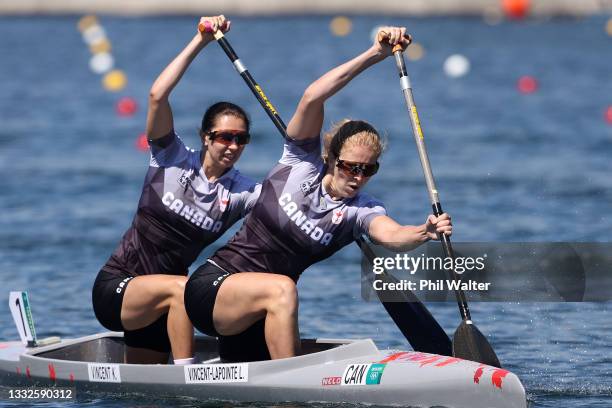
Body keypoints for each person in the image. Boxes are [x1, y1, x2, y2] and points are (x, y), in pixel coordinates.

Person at [184, 26, 452, 361]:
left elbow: (392, 234)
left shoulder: (359, 211)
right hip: (213, 288)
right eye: (350, 166)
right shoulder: (299, 162)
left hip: (257, 314)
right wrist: (375, 54)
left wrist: (424, 232)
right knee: (283, 289)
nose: (357, 176)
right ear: (330, 159)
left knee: (276, 304)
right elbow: (314, 96)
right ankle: (293, 382)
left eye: (368, 170)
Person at [92, 16, 261, 365]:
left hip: (165, 303)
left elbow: (288, 202)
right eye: (223, 137)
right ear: (205, 137)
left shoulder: (242, 193)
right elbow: (157, 95)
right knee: (182, 287)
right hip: (119, 286)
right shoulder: (171, 158)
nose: (232, 145)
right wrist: (200, 41)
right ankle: (189, 372)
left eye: (240, 139)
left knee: (144, 394)